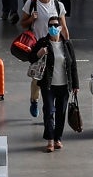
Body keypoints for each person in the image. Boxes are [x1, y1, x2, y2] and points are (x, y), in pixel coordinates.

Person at [21, 0, 70, 118]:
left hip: (55, 46)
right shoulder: (31, 3)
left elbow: (64, 27)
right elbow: (22, 23)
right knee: (37, 78)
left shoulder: (58, 5)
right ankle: (34, 100)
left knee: (52, 78)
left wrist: (67, 45)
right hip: (38, 47)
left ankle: (48, 109)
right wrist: (31, 18)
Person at [29, 14, 78, 152]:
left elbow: (73, 65)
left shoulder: (67, 44)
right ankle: (50, 140)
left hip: (64, 85)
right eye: (50, 25)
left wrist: (75, 85)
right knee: (49, 111)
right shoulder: (43, 43)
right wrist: (39, 53)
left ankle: (58, 139)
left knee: (61, 113)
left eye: (56, 25)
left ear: (60, 27)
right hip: (48, 85)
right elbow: (31, 58)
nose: (53, 28)